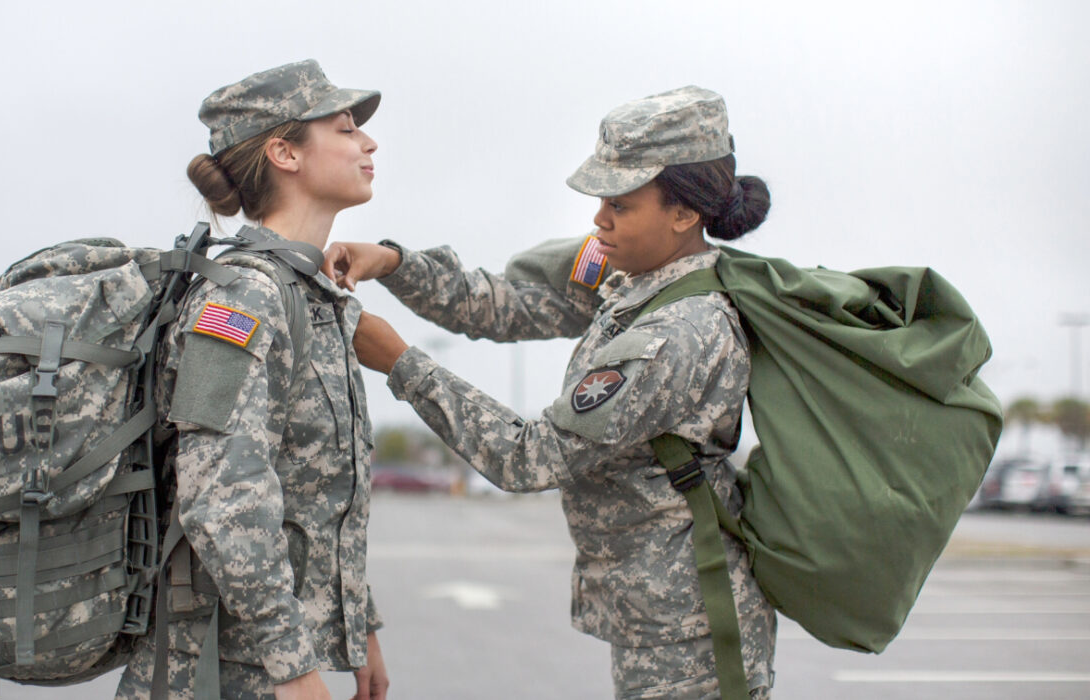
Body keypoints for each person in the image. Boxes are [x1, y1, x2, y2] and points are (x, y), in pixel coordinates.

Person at [325, 86, 776, 698]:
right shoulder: (634, 278)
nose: (599, 220)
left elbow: (528, 457)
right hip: (657, 612)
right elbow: (506, 305)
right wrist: (394, 263)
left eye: (620, 203)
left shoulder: (679, 332)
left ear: (683, 213)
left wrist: (400, 363)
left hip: (691, 627)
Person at [115, 60, 389, 700]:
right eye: (347, 129)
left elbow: (314, 495)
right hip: (219, 669)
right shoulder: (242, 300)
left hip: (268, 663)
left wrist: (361, 628)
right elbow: (221, 495)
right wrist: (291, 667)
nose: (369, 144)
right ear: (284, 152)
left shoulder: (309, 295)